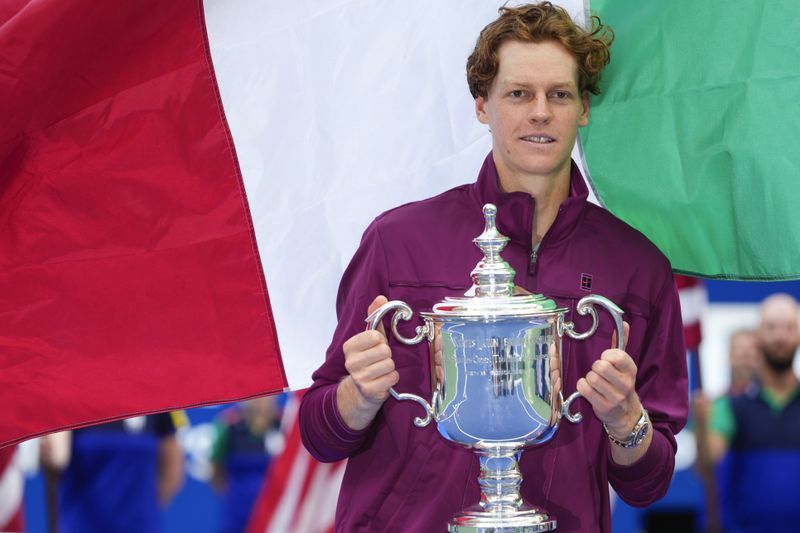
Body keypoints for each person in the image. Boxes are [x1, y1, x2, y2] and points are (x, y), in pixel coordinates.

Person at [299, 3, 688, 531]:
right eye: (518, 94)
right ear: (482, 105)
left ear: (584, 108)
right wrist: (357, 395)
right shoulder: (398, 242)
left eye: (560, 94)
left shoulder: (637, 268)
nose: (540, 112)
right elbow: (321, 434)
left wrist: (626, 421)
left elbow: (648, 483)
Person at [707, 293, 800, 532]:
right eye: (771, 328)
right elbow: (707, 462)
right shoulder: (730, 404)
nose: (780, 337)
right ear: (757, 336)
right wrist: (701, 425)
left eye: (789, 328)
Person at [40, 413, 185, 533]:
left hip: (140, 527)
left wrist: (140, 510)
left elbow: (172, 471)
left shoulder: (155, 396)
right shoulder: (71, 395)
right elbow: (56, 462)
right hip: (82, 526)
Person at [210, 396, 283, 533]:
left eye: (267, 397)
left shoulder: (284, 423)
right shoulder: (228, 425)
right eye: (258, 396)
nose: (261, 401)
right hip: (237, 511)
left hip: (276, 510)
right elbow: (216, 470)